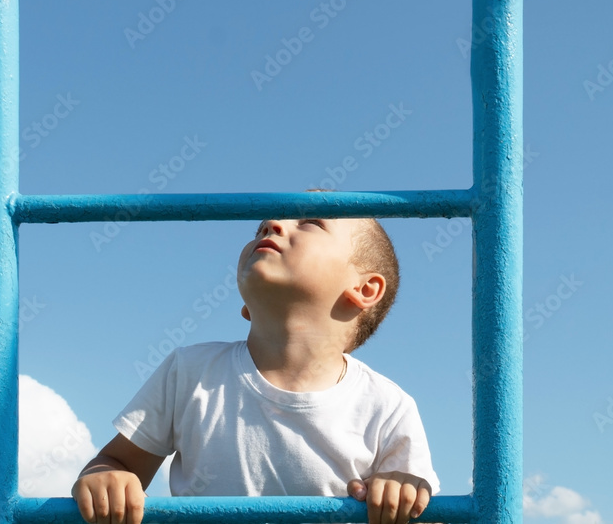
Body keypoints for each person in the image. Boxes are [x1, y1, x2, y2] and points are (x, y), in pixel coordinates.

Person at [72, 214, 439, 524]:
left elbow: (422, 509)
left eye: (311, 222)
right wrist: (105, 476)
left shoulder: (388, 406)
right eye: (262, 226)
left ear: (365, 288)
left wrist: (401, 493)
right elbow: (117, 461)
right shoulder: (190, 371)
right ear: (246, 305)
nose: (272, 224)